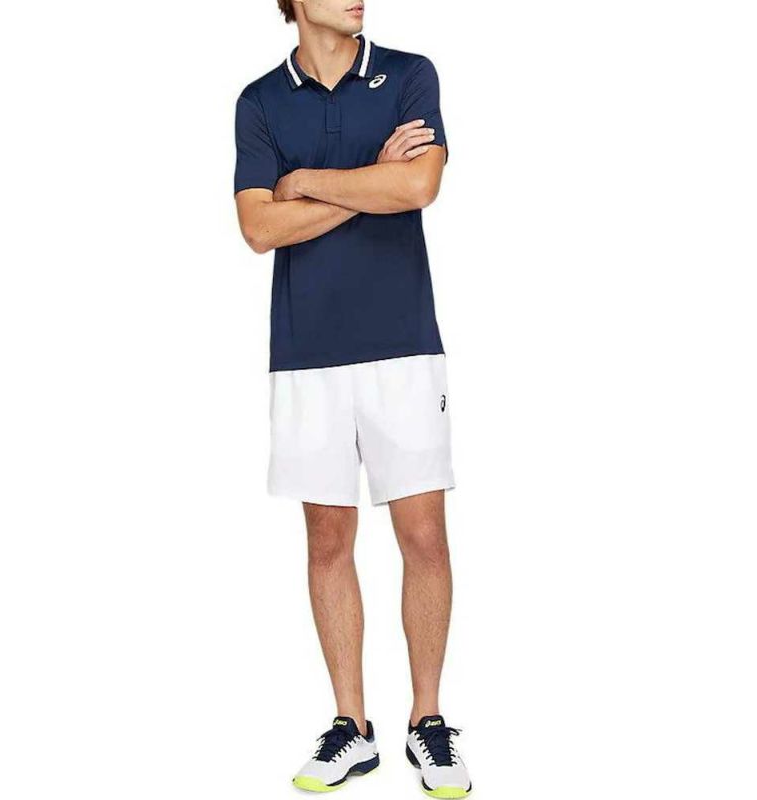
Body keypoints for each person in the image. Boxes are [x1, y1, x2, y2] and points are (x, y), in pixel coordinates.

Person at [234, 1, 471, 796]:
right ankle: (352, 727)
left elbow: (419, 184)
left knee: (424, 537)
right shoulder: (260, 102)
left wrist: (303, 184)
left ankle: (428, 722)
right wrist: (370, 182)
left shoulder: (408, 76)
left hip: (405, 345)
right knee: (327, 541)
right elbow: (259, 230)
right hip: (306, 353)